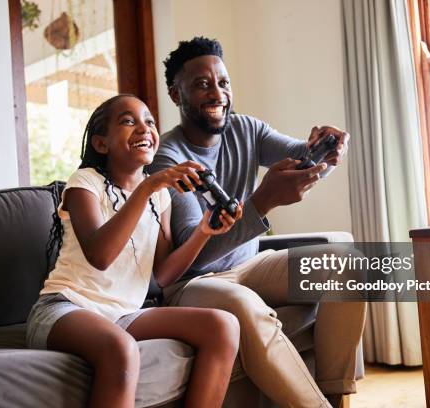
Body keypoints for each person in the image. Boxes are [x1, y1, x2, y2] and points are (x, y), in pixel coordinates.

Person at [148, 37, 367, 408]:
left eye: (223, 82)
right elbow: (193, 254)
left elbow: (302, 161)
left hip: (250, 264)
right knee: (245, 305)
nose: (217, 93)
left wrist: (326, 152)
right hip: (194, 284)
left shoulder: (245, 129)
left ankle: (333, 394)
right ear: (175, 94)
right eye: (202, 84)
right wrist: (262, 201)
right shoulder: (169, 159)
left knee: (348, 263)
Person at [26, 94, 243, 408]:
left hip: (123, 314)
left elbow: (163, 274)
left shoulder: (159, 198)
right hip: (66, 308)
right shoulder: (84, 185)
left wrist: (203, 233)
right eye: (128, 121)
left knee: (223, 326)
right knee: (121, 349)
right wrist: (147, 187)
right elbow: (101, 256)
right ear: (102, 144)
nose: (144, 128)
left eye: (149, 121)